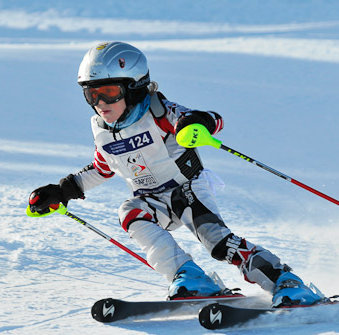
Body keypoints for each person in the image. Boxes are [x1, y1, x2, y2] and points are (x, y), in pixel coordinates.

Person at [28, 41, 322, 306]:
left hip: (187, 189)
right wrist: (63, 190)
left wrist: (196, 123)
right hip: (151, 199)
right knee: (130, 212)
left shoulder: (159, 112)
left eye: (109, 93)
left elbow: (213, 120)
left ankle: (285, 280)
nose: (100, 104)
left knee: (217, 241)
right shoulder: (103, 131)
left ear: (134, 88)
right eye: (92, 94)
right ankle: (188, 276)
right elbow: (102, 169)